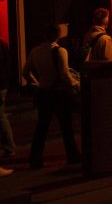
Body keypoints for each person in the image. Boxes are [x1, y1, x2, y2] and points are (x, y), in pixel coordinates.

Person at [22, 24, 81, 170]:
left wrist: (36, 83)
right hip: (59, 93)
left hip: (43, 92)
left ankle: (35, 159)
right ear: (58, 35)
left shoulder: (35, 51)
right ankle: (72, 155)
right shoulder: (61, 51)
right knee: (66, 126)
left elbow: (25, 72)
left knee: (41, 127)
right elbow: (64, 74)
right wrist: (76, 84)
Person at [0, 41, 16, 158]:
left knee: (1, 116)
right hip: (2, 84)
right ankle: (9, 147)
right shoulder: (3, 45)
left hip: (0, 84)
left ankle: (9, 147)